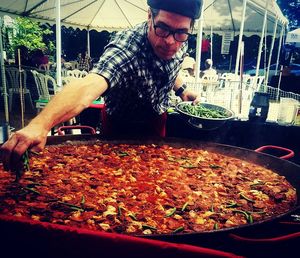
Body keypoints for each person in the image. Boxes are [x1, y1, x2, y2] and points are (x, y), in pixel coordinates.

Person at [0, 0, 202, 172]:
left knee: (157, 175)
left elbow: (167, 67)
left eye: (181, 33)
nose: (170, 42)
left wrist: (182, 90)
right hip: (119, 127)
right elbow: (89, 85)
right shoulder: (128, 47)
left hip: (157, 124)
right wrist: (40, 124)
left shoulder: (178, 39)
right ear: (149, 16)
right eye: (163, 29)